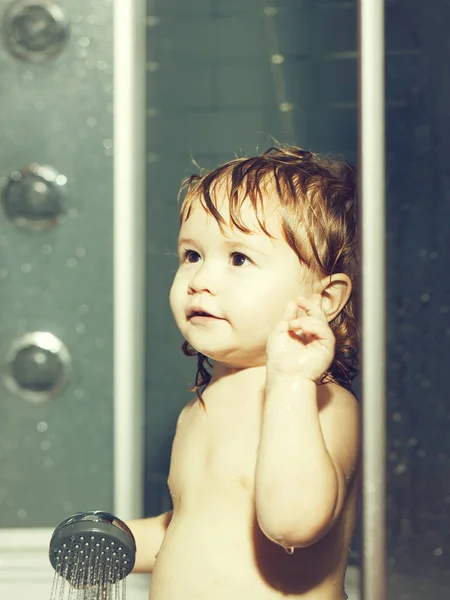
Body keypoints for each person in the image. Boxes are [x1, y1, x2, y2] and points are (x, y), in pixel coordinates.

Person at [127, 145, 360, 600]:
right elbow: (199, 529)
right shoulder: (202, 405)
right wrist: (118, 538)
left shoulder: (322, 404)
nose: (199, 280)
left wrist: (291, 382)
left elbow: (293, 521)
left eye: (238, 259)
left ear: (324, 299)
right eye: (192, 255)